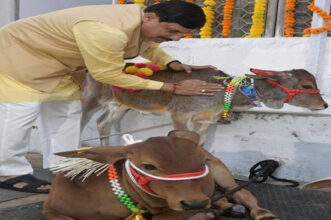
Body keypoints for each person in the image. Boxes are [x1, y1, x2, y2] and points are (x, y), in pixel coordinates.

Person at [0, 0, 224, 193]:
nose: (175, 39)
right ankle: (8, 172)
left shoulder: (140, 22)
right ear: (151, 17)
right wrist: (170, 87)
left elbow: (146, 44)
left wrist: (172, 64)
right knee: (20, 113)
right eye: (173, 31)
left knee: (68, 113)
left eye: (180, 34)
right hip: (19, 55)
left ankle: (65, 167)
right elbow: (107, 74)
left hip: (58, 65)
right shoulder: (106, 31)